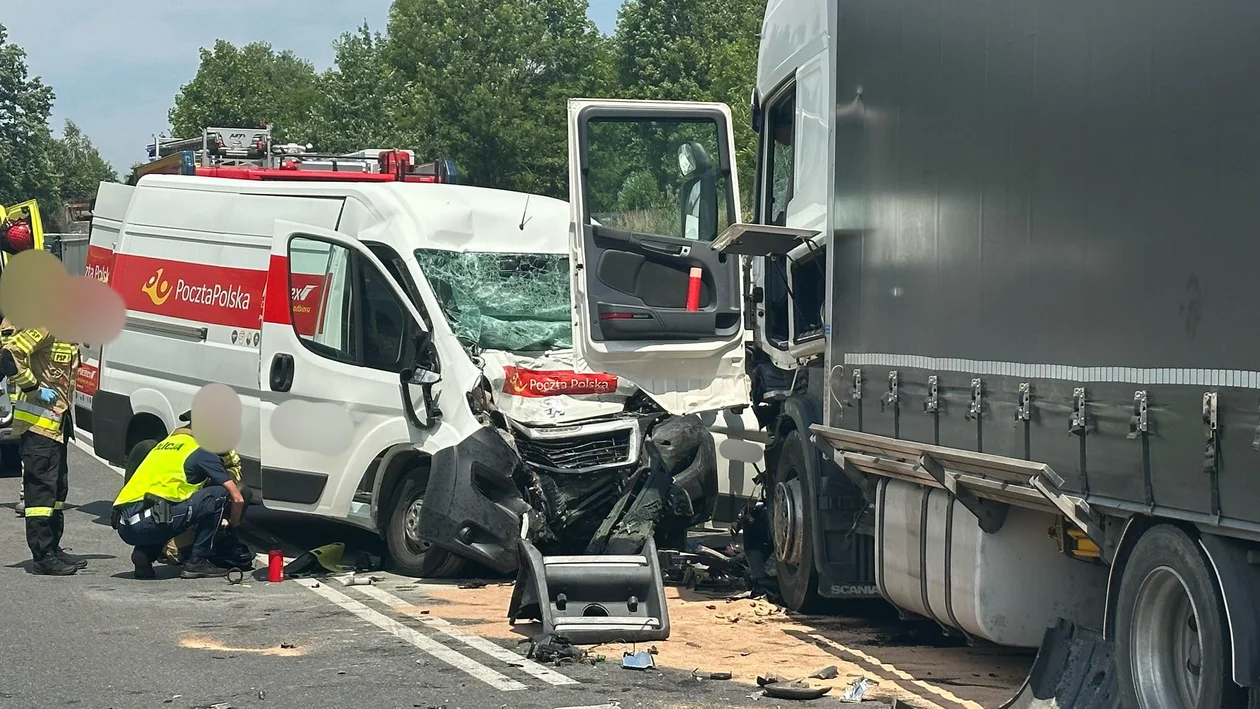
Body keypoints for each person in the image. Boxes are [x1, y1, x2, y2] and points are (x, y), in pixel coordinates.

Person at [112, 417, 246, 579]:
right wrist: (232, 524)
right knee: (218, 495)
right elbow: (237, 497)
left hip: (125, 525)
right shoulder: (201, 452)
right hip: (147, 522)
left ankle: (144, 554)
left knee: (168, 510)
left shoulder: (165, 445)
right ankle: (197, 562)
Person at [0, 322, 84, 575]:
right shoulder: (45, 325)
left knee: (57, 492)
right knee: (40, 494)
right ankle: (42, 556)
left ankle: (53, 548)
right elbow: (9, 355)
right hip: (38, 426)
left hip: (56, 425)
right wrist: (33, 388)